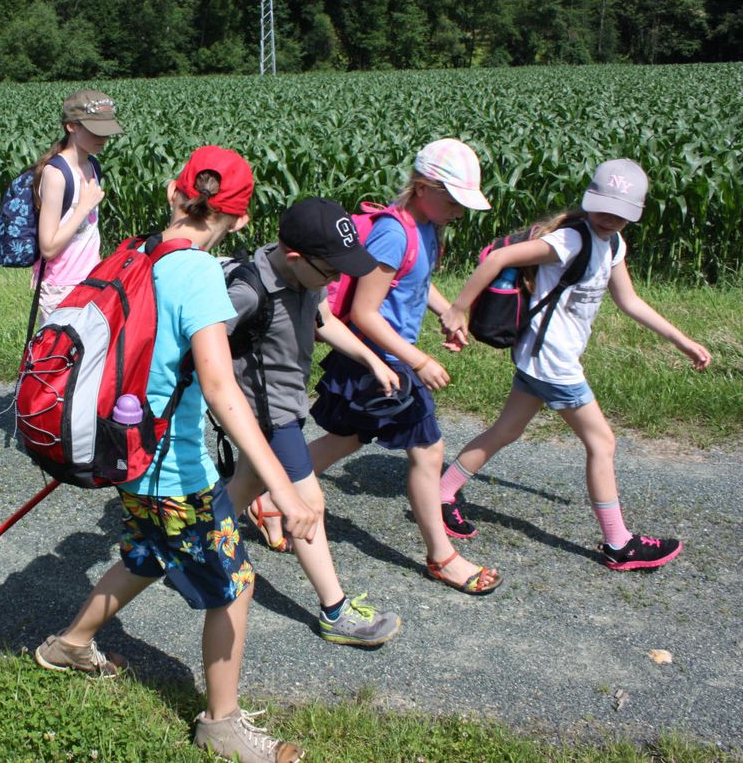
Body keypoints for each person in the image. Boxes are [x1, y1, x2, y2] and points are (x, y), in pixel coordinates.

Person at [34, 146, 316, 763]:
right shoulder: (198, 274)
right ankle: (222, 724)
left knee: (147, 553)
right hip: (172, 465)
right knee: (235, 583)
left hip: (129, 451)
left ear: (172, 192)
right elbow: (220, 388)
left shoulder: (139, 251)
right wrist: (283, 487)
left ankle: (68, 645)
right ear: (240, 220)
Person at [438, 159, 711, 570]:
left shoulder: (613, 245)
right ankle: (619, 544)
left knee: (506, 430)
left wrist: (682, 341)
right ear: (589, 200)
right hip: (553, 364)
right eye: (603, 208)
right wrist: (458, 309)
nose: (609, 219)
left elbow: (629, 301)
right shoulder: (570, 240)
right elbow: (497, 260)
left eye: (620, 215)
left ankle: (440, 493)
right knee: (602, 443)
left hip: (540, 359)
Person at [305, 139, 503, 595]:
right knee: (428, 450)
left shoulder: (426, 227)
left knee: (347, 438)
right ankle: (442, 557)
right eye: (452, 199)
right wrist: (419, 359)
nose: (458, 210)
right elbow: (366, 313)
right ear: (422, 187)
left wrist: (447, 312)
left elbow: (415, 281)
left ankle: (265, 492)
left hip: (385, 360)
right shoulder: (394, 233)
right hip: (379, 360)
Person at [224, 197, 402, 647]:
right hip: (267, 415)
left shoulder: (308, 276)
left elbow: (322, 321)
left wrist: (369, 358)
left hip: (288, 403)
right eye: (330, 271)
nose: (337, 279)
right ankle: (334, 612)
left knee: (244, 488)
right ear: (296, 257)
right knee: (308, 506)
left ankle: (189, 545)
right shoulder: (247, 291)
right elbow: (203, 346)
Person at [31, 90, 121, 323]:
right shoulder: (56, 174)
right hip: (61, 286)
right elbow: (48, 247)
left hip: (90, 279)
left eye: (106, 131)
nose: (103, 138)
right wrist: (84, 207)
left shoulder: (93, 166)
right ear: (71, 126)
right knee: (59, 356)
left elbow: (90, 232)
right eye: (95, 131)